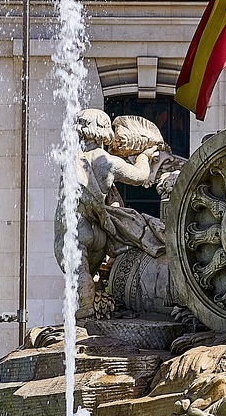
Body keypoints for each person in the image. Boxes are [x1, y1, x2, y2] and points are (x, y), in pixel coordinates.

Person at [54, 109, 165, 317]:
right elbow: (142, 177)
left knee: (79, 275)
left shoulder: (69, 159)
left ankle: (85, 316)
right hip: (100, 233)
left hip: (77, 228)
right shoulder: (108, 162)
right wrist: (144, 156)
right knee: (94, 278)